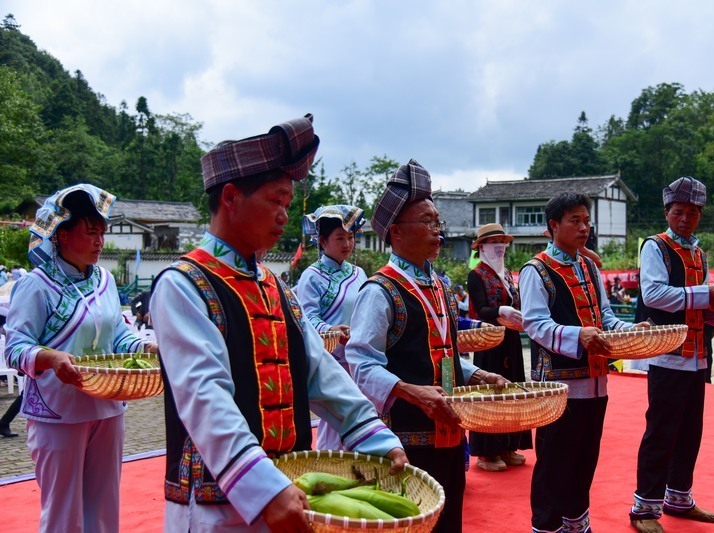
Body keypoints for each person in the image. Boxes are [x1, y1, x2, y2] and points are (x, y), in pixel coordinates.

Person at [149, 114, 407, 532]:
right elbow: (205, 395)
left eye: (288, 204)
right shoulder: (183, 284)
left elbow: (319, 372)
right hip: (219, 503)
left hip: (291, 488)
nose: (284, 215)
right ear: (231, 197)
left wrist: (375, 437)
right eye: (275, 201)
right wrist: (263, 487)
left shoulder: (276, 285)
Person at [346, 159, 509, 533]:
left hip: (449, 430)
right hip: (405, 440)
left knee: (450, 521)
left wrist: (477, 373)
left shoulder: (440, 286)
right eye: (429, 222)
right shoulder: (379, 290)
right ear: (396, 233)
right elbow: (361, 364)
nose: (438, 231)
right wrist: (411, 392)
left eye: (439, 223)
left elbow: (443, 356)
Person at [2, 184, 157, 532]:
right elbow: (15, 348)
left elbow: (118, 332)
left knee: (103, 505)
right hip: (58, 411)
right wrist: (52, 357)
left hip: (106, 403)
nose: (100, 241)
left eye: (102, 232)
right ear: (61, 235)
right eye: (91, 232)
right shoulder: (37, 285)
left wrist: (146, 348)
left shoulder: (104, 280)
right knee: (63, 510)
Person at [628, 177, 714, 533]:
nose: (685, 218)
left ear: (700, 215)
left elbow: (705, 308)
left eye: (693, 212)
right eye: (679, 211)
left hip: (697, 355)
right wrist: (705, 294)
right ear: (667, 212)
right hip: (667, 354)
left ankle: (678, 498)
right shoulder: (655, 247)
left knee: (690, 431)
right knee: (661, 431)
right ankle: (644, 507)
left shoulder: (699, 252)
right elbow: (655, 295)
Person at [519, 192, 641, 533]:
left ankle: (576, 523)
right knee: (553, 464)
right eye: (575, 220)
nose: (584, 227)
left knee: (585, 460)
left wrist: (633, 332)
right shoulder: (536, 270)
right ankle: (545, 527)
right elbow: (535, 325)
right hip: (557, 386)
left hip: (596, 382)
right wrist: (579, 336)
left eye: (587, 220)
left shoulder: (588, 266)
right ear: (553, 226)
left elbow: (605, 317)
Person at [295, 204, 368, 449]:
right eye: (340, 238)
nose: (347, 244)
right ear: (323, 241)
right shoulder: (311, 276)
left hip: (358, 355)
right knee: (334, 417)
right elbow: (306, 318)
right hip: (330, 357)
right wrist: (332, 330)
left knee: (360, 413)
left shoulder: (359, 274)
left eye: (350, 238)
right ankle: (329, 462)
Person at [466, 223, 533, 472]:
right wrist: (501, 311)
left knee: (512, 387)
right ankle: (487, 452)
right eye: (494, 243)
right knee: (490, 392)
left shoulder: (506, 275)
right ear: (481, 247)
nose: (500, 248)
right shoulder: (476, 275)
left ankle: (508, 445)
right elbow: (481, 309)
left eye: (502, 243)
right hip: (488, 341)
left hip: (511, 339)